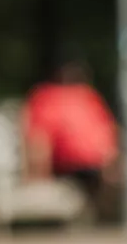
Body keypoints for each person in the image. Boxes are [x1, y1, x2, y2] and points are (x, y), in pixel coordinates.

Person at [21, 60, 120, 215]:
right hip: (98, 164)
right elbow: (109, 131)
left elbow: (39, 141)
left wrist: (37, 177)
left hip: (70, 166)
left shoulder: (45, 98)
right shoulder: (89, 96)